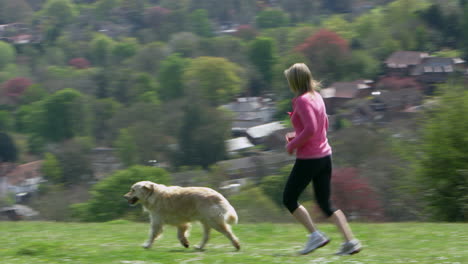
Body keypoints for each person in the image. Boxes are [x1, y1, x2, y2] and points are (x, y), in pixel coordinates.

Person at [282, 63, 361, 255]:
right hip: (325, 156)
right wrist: (296, 135)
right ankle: (350, 242)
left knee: (289, 198)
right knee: (326, 204)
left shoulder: (301, 100)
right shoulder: (317, 96)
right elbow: (323, 124)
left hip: (309, 159)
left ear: (294, 81)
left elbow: (310, 129)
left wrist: (292, 144)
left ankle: (315, 236)